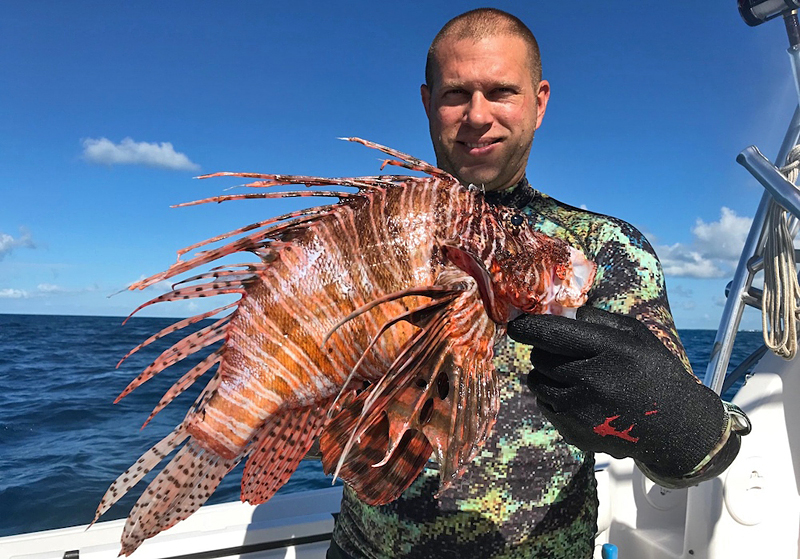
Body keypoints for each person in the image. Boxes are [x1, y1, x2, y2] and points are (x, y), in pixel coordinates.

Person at [327, 8, 750, 559]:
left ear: (539, 102)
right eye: (456, 94)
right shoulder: (361, 240)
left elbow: (686, 459)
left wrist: (679, 421)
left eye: (501, 91)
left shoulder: (600, 249)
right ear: (428, 102)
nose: (477, 115)